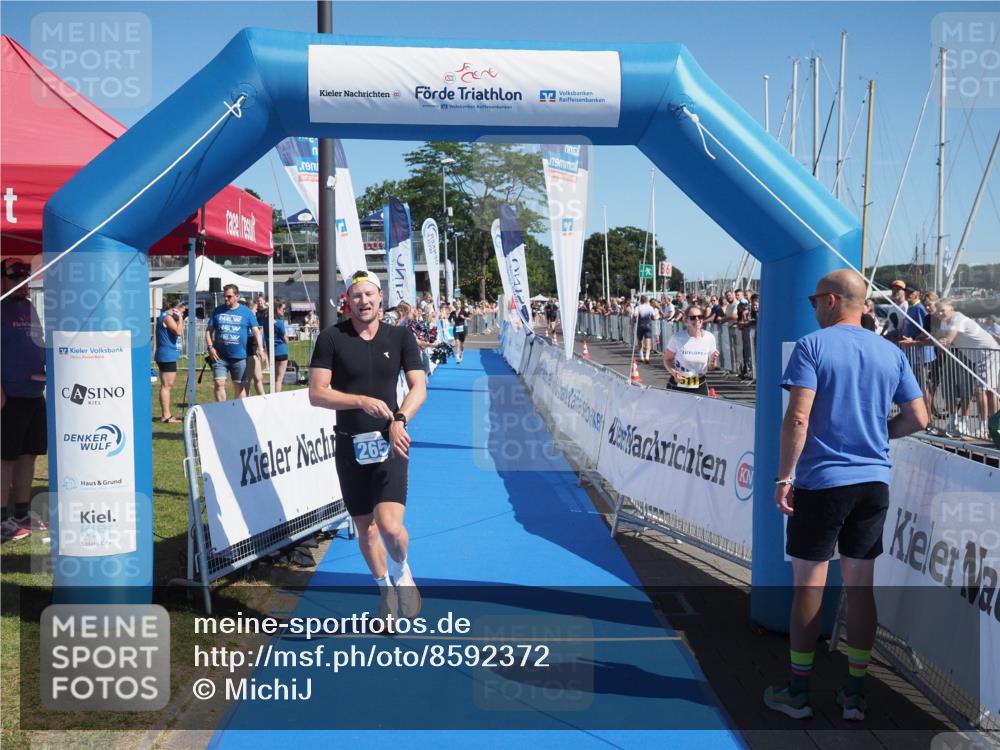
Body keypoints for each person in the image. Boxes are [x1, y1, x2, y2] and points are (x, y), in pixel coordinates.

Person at [764, 269, 928, 722]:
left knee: (808, 587)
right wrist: (878, 435)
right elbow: (919, 417)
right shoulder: (889, 351)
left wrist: (783, 478)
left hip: (823, 483)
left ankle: (798, 693)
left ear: (833, 301)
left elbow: (798, 419)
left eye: (814, 299)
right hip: (874, 481)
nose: (812, 307)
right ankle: (854, 695)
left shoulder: (812, 346)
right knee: (861, 590)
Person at [308, 270, 427, 621]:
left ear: (380, 297)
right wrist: (359, 400)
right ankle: (384, 589)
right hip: (350, 445)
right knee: (366, 527)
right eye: (356, 296)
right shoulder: (331, 338)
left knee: (390, 527)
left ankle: (402, 569)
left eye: (369, 295)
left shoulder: (401, 337)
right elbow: (317, 393)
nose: (364, 302)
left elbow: (419, 387)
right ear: (349, 300)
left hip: (391, 442)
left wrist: (400, 419)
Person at [1, 260, 48, 542]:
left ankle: (20, 512)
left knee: (29, 453)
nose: (21, 282)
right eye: (14, 277)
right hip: (10, 395)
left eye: (24, 277)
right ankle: (2, 518)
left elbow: (38, 339)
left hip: (34, 391)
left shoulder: (28, 307)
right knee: (5, 458)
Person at [933, 299, 1000, 434]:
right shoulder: (944, 321)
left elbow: (949, 339)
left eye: (943, 310)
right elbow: (940, 338)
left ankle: (984, 428)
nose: (940, 313)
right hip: (978, 358)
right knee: (988, 392)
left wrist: (942, 341)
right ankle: (991, 427)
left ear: (951, 308)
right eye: (938, 311)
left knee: (983, 392)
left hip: (988, 354)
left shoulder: (958, 319)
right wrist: (936, 340)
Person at [205, 284, 265, 402]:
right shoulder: (218, 311)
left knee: (239, 387)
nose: (226, 299)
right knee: (219, 383)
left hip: (239, 357)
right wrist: (211, 347)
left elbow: (256, 331)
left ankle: (237, 413)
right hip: (219, 356)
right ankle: (223, 410)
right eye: (225, 296)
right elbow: (208, 331)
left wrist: (261, 348)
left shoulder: (246, 312)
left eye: (229, 296)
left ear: (237, 296)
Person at [663, 305, 719, 395]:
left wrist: (712, 361)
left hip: (699, 384)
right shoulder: (677, 338)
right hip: (679, 384)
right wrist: (673, 373)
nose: (697, 320)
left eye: (700, 317)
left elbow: (711, 367)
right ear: (686, 320)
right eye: (693, 318)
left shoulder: (709, 337)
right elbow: (667, 359)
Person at [154, 299, 187, 423]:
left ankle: (166, 415)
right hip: (166, 355)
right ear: (175, 309)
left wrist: (179, 319)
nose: (182, 314)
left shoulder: (166, 316)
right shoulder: (167, 317)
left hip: (167, 354)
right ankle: (166, 416)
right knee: (167, 386)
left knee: (167, 386)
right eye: (181, 312)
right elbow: (178, 332)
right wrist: (180, 319)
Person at [265, 298, 290, 392]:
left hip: (271, 353)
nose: (284, 311)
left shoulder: (266, 321)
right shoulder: (279, 323)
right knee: (278, 380)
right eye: (283, 309)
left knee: (274, 379)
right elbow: (285, 339)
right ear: (277, 309)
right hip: (281, 352)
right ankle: (276, 399)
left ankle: (271, 396)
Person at [633, 295, 657, 363]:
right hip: (648, 326)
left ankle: (641, 357)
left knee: (640, 341)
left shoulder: (638, 307)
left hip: (640, 326)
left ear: (640, 301)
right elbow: (654, 317)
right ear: (646, 300)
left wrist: (634, 319)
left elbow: (635, 316)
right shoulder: (650, 308)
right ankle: (647, 356)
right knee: (648, 342)